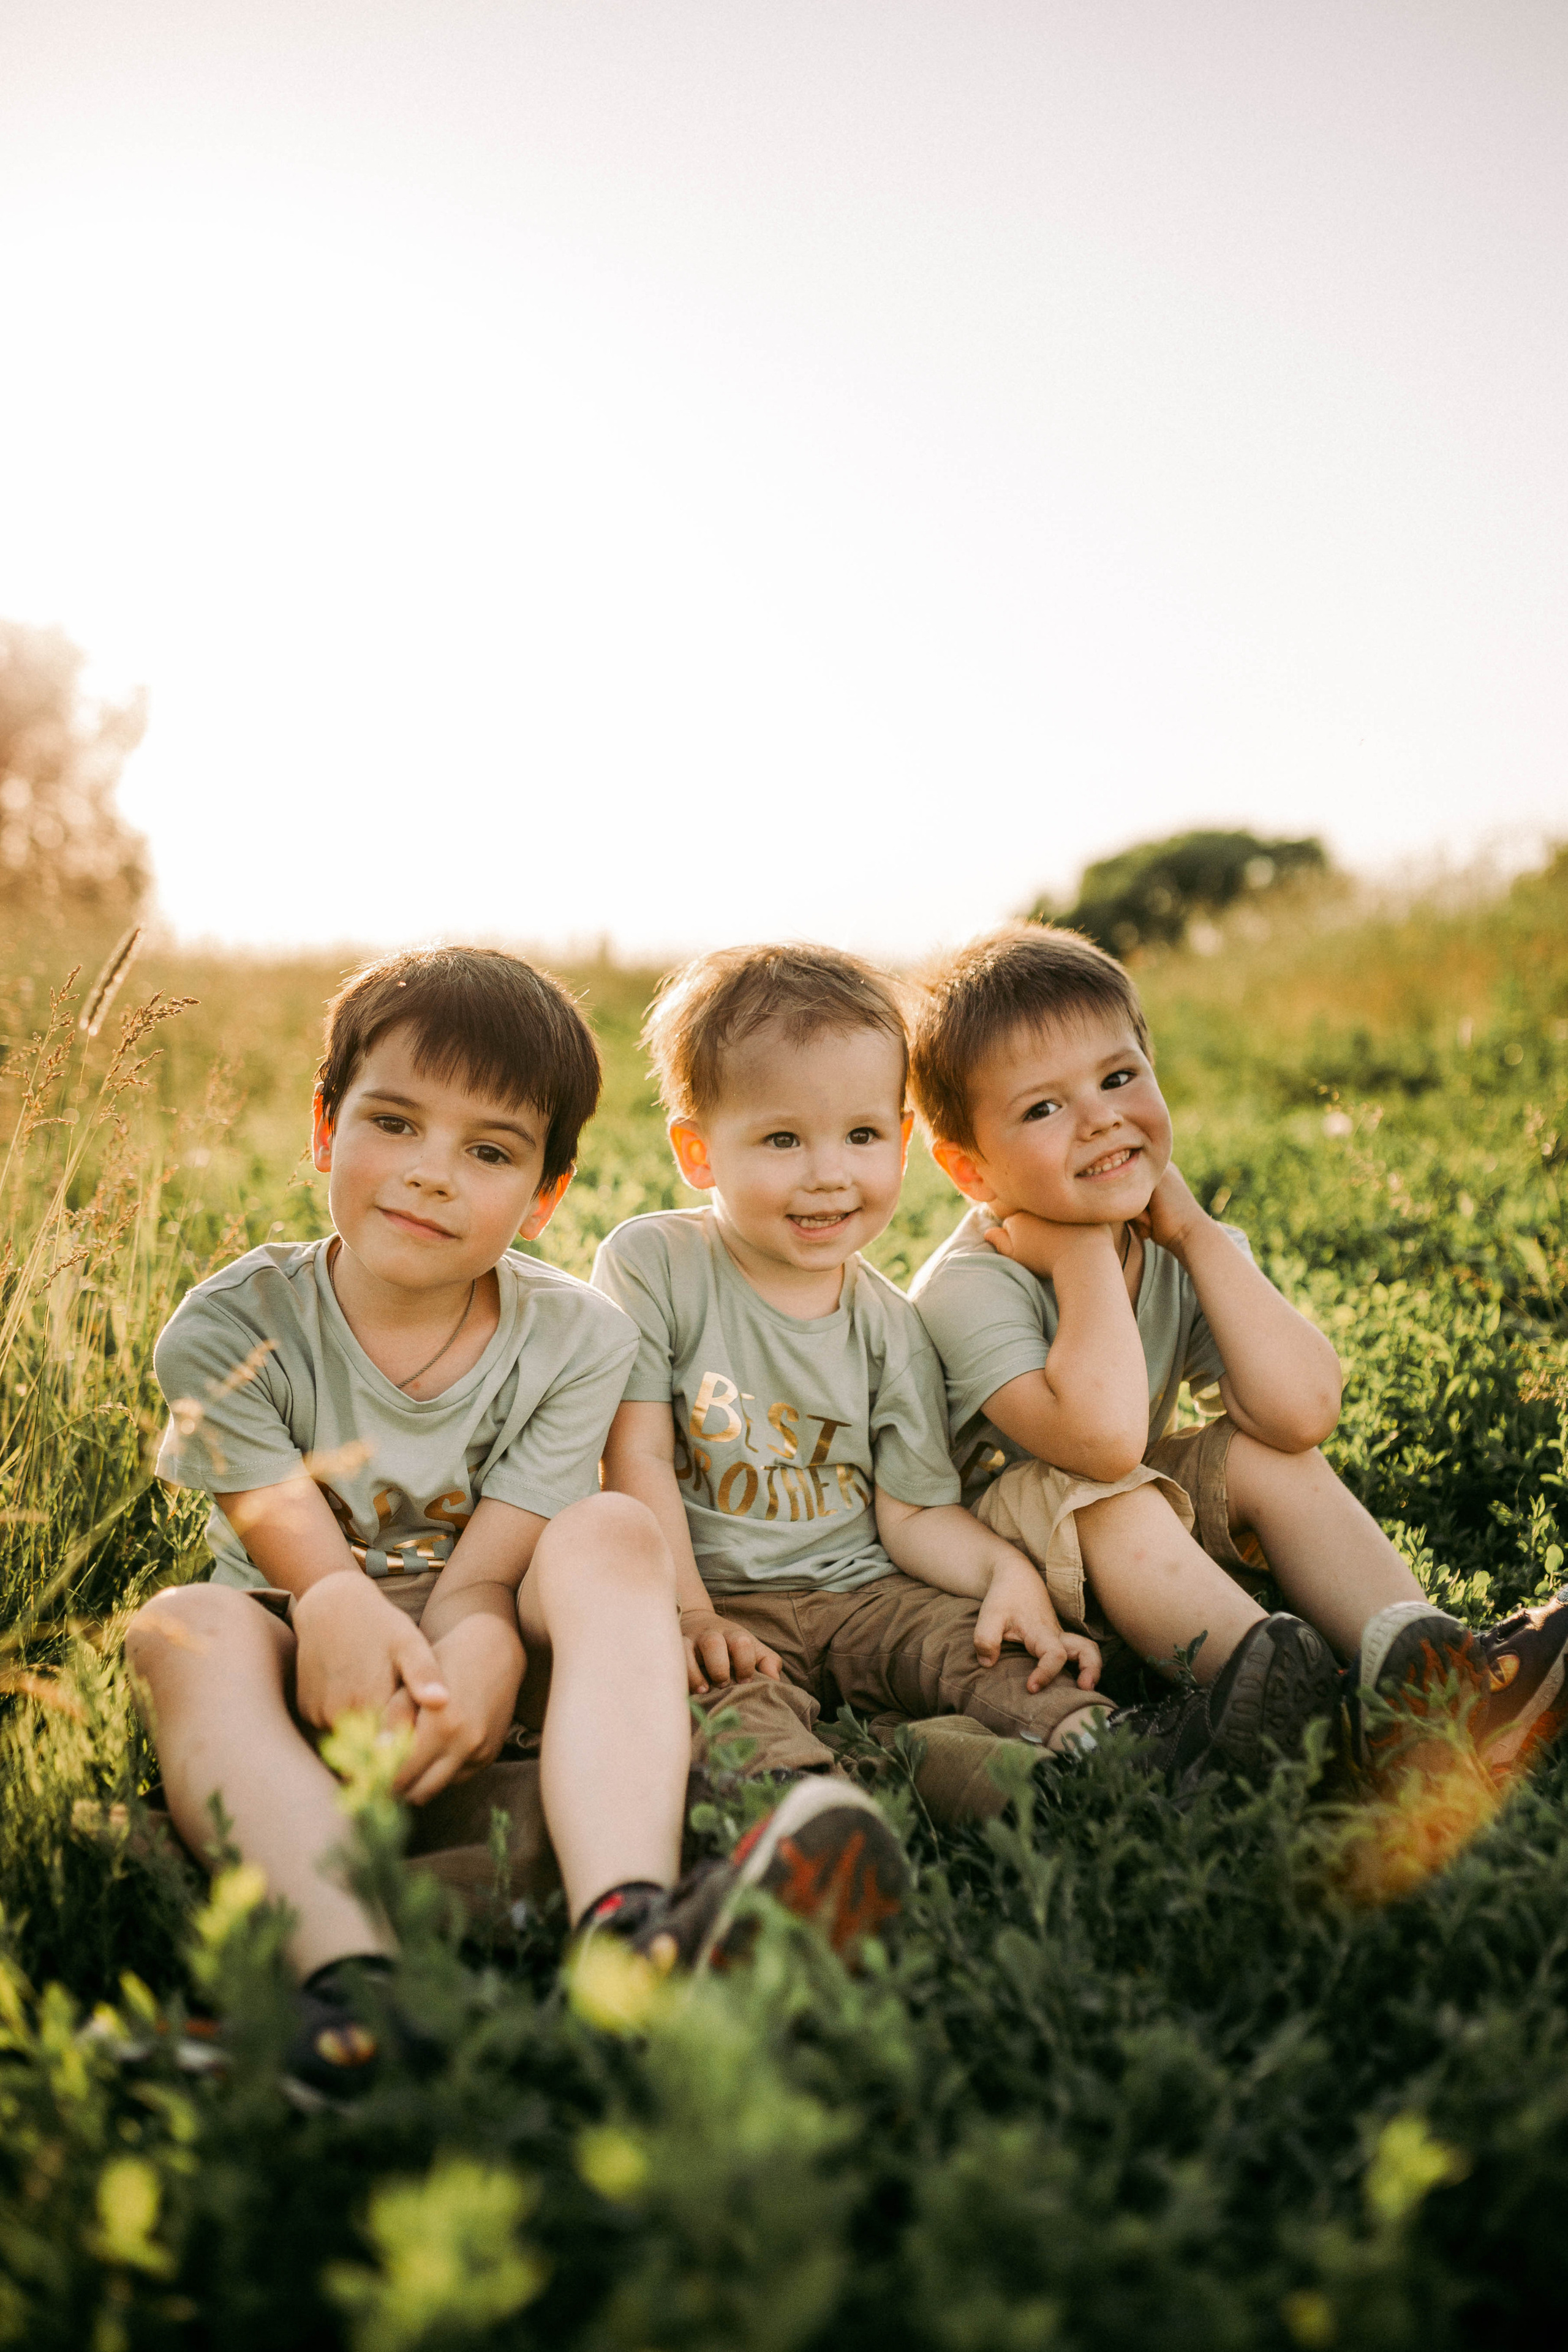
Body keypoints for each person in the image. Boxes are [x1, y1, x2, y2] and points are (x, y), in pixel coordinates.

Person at [127, 946, 906, 2106]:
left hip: (502, 1646)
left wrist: (482, 1634)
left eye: (488, 1151)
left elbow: (495, 1563)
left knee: (609, 1532)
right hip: (300, 1635)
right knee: (181, 1627)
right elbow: (291, 1544)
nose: (432, 1175)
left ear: (545, 1192)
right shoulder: (230, 1327)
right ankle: (351, 1985)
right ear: (324, 1127)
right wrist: (338, 1606)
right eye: (395, 1124)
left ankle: (629, 1929)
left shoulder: (578, 1338)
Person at [590, 941, 1264, 1815]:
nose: (830, 1172)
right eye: (784, 1138)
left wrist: (1002, 1576)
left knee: (974, 1648)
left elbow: (909, 1513)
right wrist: (686, 1613)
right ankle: (804, 1806)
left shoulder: (891, 1325)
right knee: (721, 1693)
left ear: (903, 1143)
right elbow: (634, 1454)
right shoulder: (657, 1264)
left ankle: (1096, 1750)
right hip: (723, 1598)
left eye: (863, 1136)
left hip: (869, 1589)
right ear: (698, 1152)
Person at [905, 921, 1568, 1780]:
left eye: (1118, 1077)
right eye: (1043, 1107)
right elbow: (1100, 1446)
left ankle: (1432, 1674)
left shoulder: (1176, 1242)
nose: (1101, 1116)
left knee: (1264, 1454)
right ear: (971, 1171)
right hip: (989, 1571)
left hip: (1128, 1550)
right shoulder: (971, 1284)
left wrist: (1194, 1232)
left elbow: (1302, 1413)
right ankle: (1304, 1710)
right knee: (1112, 1492)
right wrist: (1078, 1259)